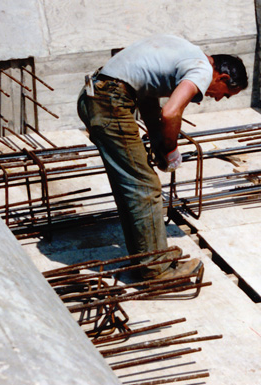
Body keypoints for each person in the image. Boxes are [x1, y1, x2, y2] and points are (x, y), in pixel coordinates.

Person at [77, 34, 248, 282]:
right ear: (222, 77)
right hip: (109, 101)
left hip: (96, 96)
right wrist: (170, 150)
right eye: (226, 93)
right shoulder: (201, 69)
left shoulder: (184, 52)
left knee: (132, 184)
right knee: (145, 185)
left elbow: (146, 95)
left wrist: (158, 140)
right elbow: (170, 112)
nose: (218, 97)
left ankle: (148, 256)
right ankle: (155, 270)